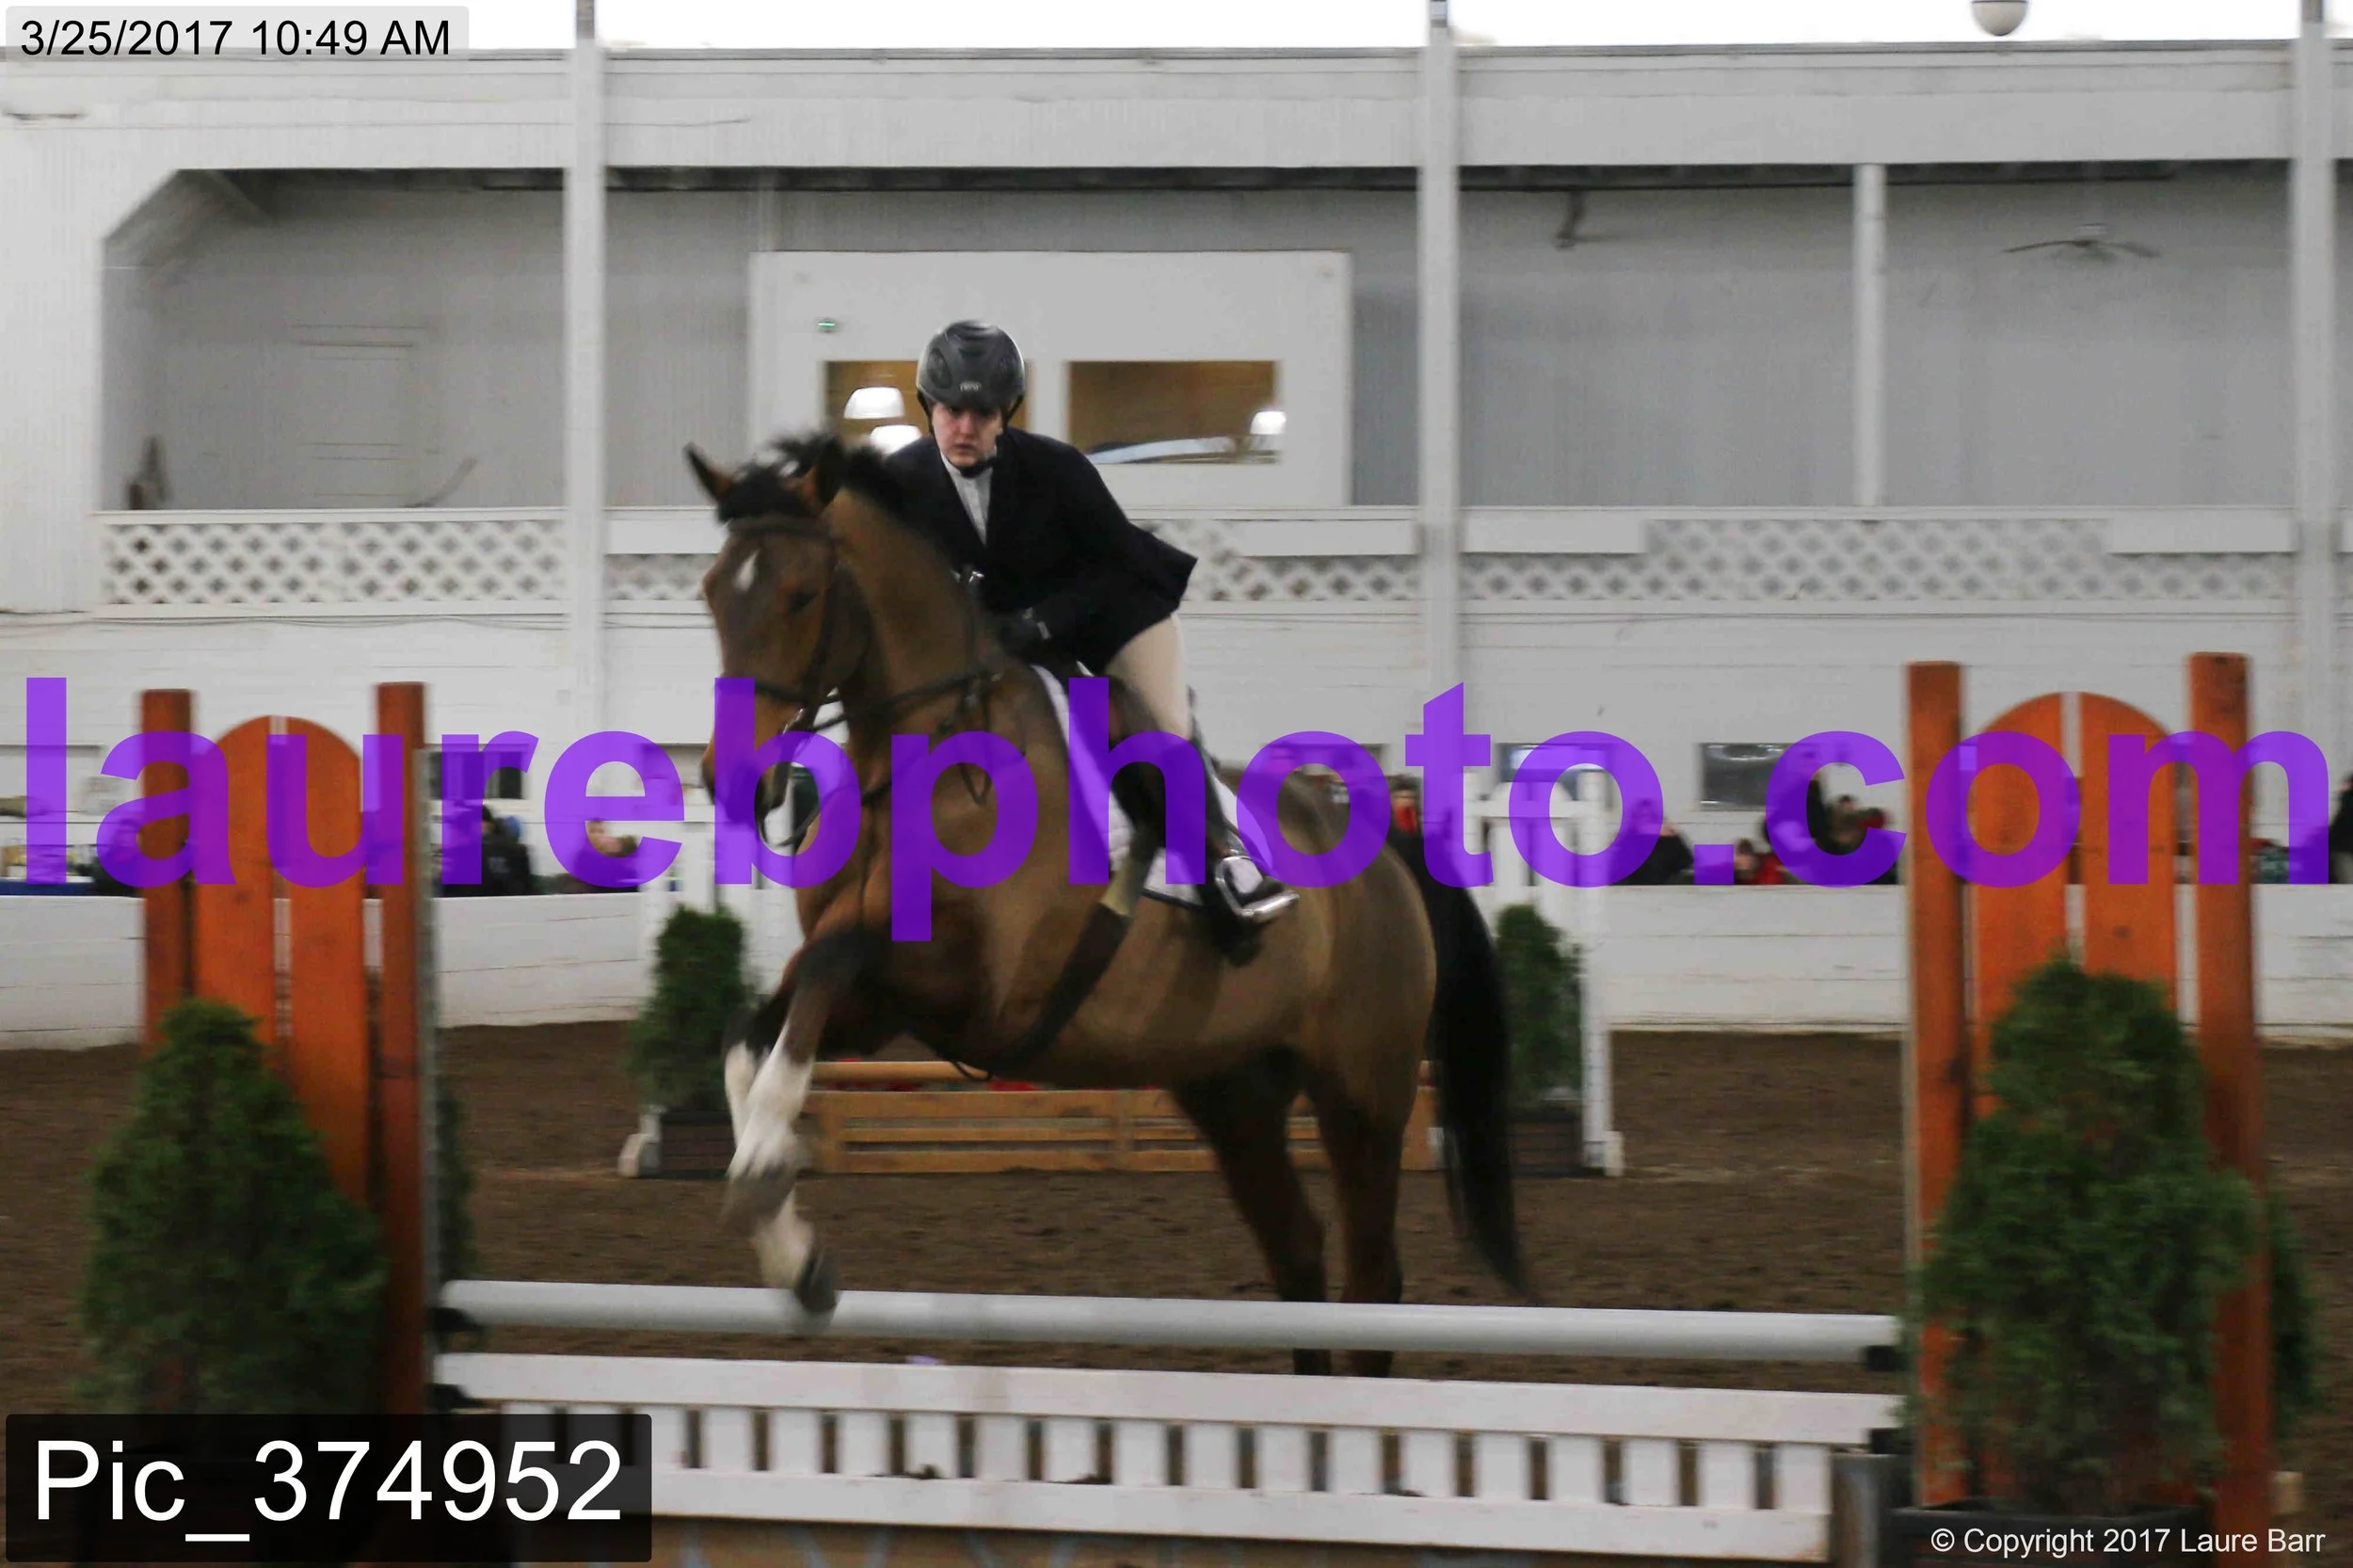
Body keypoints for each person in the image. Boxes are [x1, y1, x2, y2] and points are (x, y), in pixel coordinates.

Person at [881, 320, 1296, 949]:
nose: (964, 428)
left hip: (1113, 614)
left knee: (1162, 726)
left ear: (1005, 414)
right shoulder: (901, 482)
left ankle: (1228, 864)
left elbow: (1116, 569)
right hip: (1008, 638)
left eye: (981, 413)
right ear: (927, 408)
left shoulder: (1057, 468)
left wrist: (1045, 622)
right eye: (950, 411)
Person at [2332, 773, 2353, 885]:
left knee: (2347, 884)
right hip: (2344, 849)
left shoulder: (2347, 801)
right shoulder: (2347, 801)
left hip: (2343, 849)